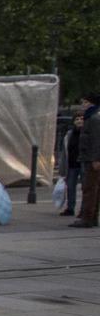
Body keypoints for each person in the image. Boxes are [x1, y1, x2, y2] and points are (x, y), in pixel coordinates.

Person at [72, 93, 100, 228]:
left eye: (84, 102)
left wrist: (96, 159)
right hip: (88, 157)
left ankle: (88, 217)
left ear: (90, 103)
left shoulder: (94, 118)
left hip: (91, 159)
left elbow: (96, 140)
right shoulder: (90, 117)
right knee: (91, 188)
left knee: (90, 188)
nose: (82, 105)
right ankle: (90, 216)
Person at [60, 107, 83, 216]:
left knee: (86, 188)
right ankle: (70, 208)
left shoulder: (87, 133)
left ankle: (84, 209)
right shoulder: (69, 134)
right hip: (72, 164)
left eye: (81, 119)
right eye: (77, 119)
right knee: (70, 186)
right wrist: (62, 167)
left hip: (84, 164)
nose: (79, 121)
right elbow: (65, 152)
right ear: (73, 121)